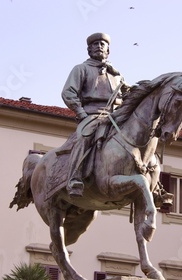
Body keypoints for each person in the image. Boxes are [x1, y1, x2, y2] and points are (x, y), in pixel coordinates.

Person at [62, 32, 129, 198]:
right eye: (95, 44)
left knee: (139, 136)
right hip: (92, 114)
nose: (99, 46)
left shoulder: (116, 74)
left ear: (108, 50)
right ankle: (75, 178)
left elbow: (130, 95)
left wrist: (121, 79)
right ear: (89, 49)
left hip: (116, 117)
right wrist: (81, 113)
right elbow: (68, 92)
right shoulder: (81, 69)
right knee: (85, 136)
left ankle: (153, 185)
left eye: (102, 44)